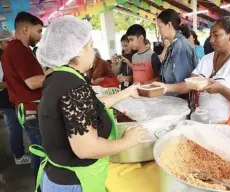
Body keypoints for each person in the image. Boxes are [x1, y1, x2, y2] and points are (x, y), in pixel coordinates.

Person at [34, 15, 147, 192]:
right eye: (90, 46)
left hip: (59, 176)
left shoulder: (59, 77)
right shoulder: (72, 86)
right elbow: (87, 148)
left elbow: (88, 108)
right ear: (77, 50)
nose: (93, 52)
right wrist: (127, 141)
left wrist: (127, 92)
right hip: (75, 182)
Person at [154, 16, 230, 122]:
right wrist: (166, 87)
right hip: (204, 124)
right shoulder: (206, 59)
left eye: (216, 35)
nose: (211, 40)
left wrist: (221, 89)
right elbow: (189, 84)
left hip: (229, 128)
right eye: (210, 36)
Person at [1, 11, 50, 178]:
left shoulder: (14, 49)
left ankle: (40, 185)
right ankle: (43, 185)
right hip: (31, 109)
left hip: (25, 108)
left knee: (38, 149)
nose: (40, 36)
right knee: (43, 151)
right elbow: (32, 82)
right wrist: (59, 74)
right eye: (39, 31)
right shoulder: (19, 49)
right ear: (25, 30)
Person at [0, 29, 31, 165]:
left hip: (10, 99)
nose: (10, 45)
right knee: (14, 128)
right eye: (8, 42)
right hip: (5, 100)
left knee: (17, 126)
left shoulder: (5, 56)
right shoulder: (1, 59)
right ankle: (18, 156)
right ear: (0, 43)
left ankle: (21, 152)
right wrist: (14, 82)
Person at [157, 9, 198, 88]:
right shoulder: (174, 44)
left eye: (160, 27)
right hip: (171, 97)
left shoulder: (180, 46)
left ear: (169, 25)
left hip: (178, 98)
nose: (159, 31)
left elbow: (181, 82)